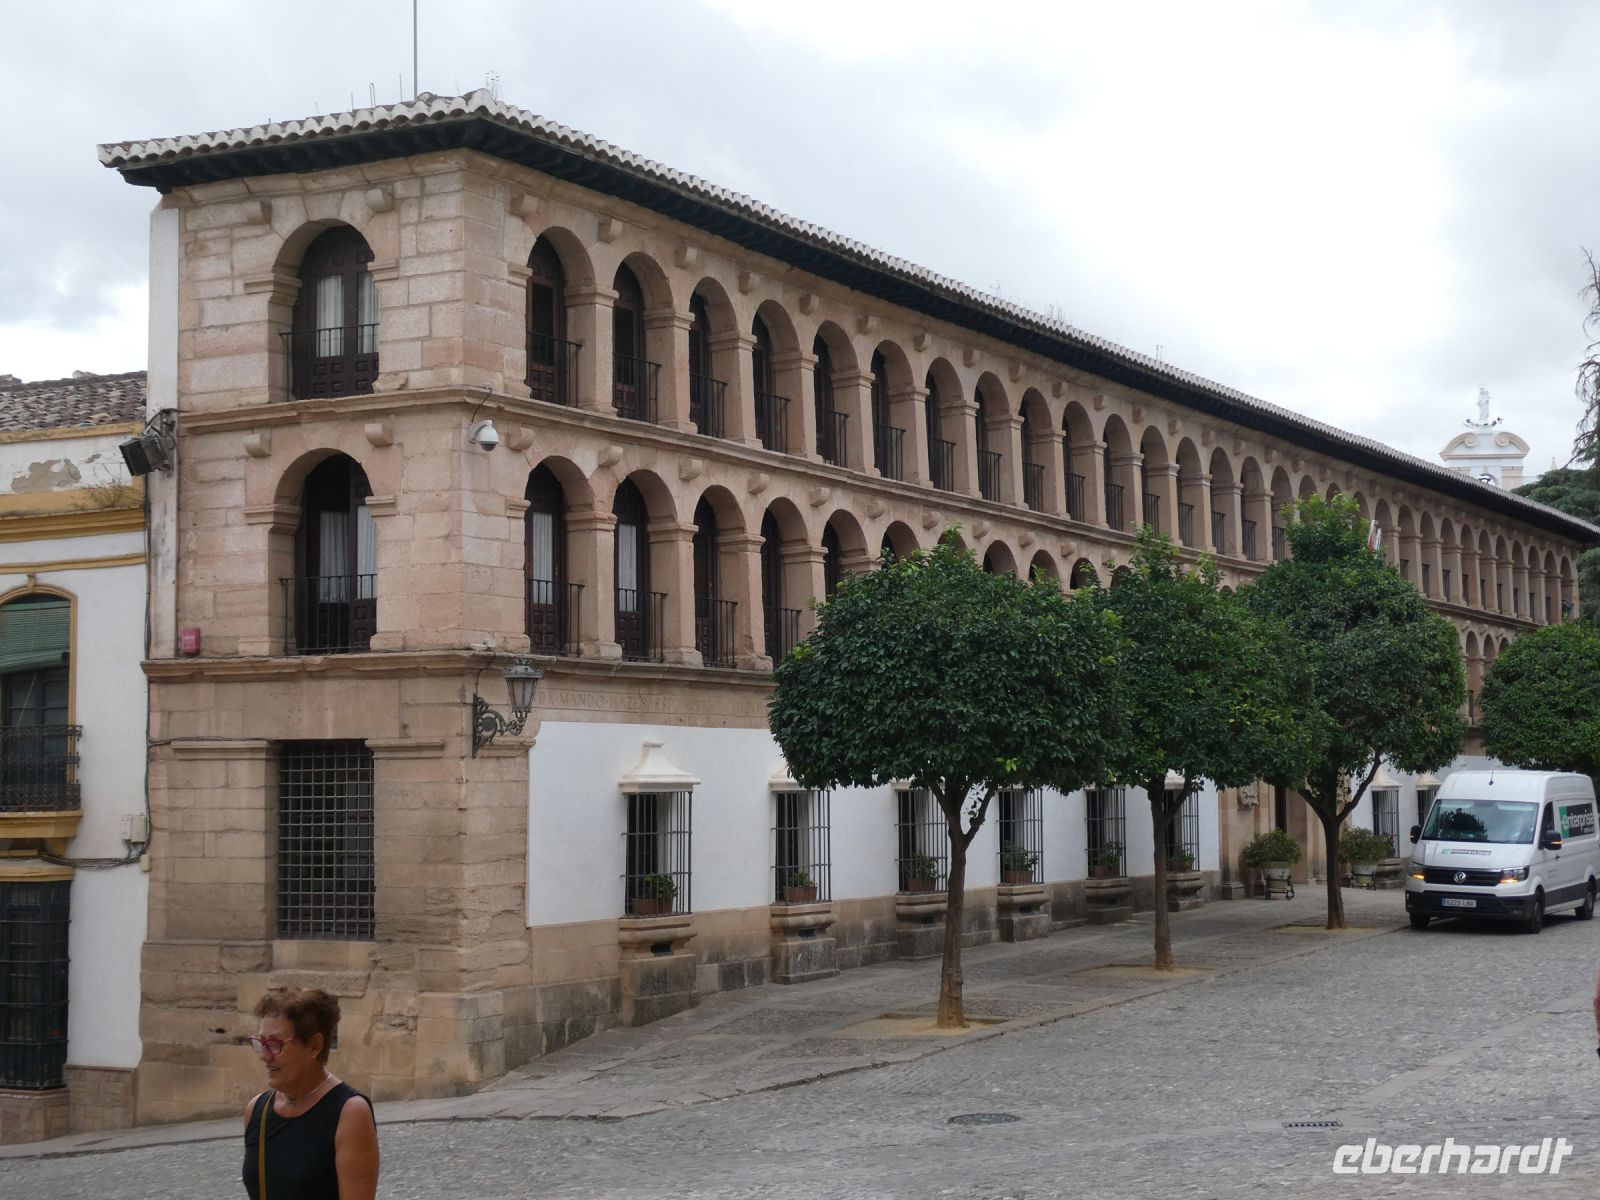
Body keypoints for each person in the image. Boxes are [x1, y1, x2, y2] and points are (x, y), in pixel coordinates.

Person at [243, 988, 378, 1199]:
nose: (264, 1056)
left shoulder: (349, 1113)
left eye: (276, 1044)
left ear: (314, 1046)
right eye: (261, 1043)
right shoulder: (257, 1110)